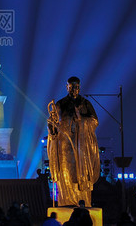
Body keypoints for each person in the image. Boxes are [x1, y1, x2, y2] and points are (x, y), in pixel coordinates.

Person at [47, 76, 100, 206]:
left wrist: (81, 120)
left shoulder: (85, 103)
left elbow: (94, 121)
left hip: (81, 144)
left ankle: (82, 202)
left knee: (81, 173)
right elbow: (54, 122)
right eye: (71, 87)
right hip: (65, 143)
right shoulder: (61, 104)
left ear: (79, 87)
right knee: (65, 171)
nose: (74, 90)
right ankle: (66, 202)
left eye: (76, 87)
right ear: (67, 87)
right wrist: (52, 125)